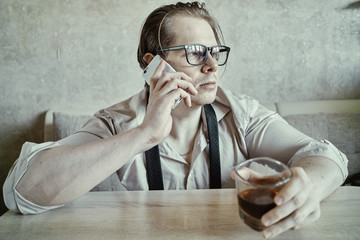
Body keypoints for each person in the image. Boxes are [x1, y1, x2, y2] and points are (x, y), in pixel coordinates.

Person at [3, 2, 348, 239]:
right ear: (153, 64)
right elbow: (20, 192)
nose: (212, 65)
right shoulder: (116, 123)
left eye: (216, 52)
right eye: (196, 52)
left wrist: (309, 187)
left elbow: (326, 156)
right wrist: (143, 135)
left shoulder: (242, 114)